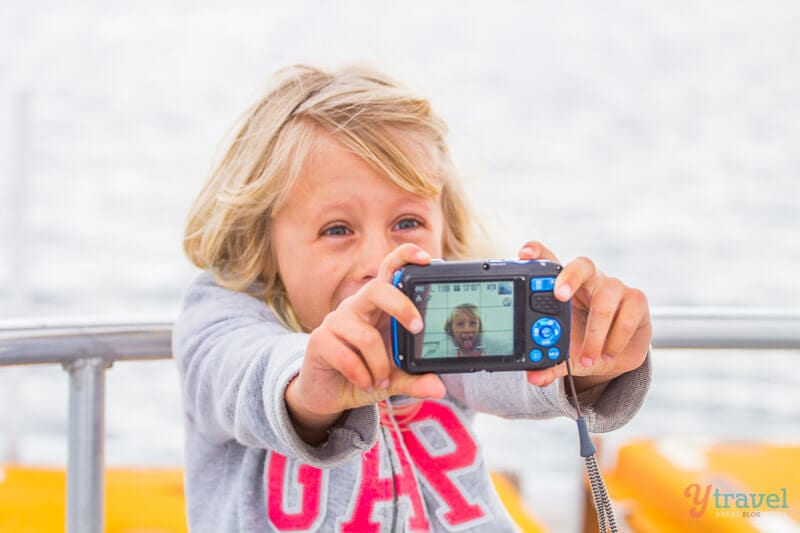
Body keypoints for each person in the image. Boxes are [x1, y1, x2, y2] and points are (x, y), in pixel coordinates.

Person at [173, 64, 652, 532]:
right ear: (263, 241)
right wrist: (309, 385)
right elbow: (245, 376)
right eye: (337, 229)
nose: (381, 259)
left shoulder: (442, 316)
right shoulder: (220, 316)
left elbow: (517, 380)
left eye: (407, 223)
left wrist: (590, 360)